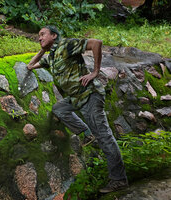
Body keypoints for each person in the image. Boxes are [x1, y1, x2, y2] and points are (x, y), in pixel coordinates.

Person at [27, 25, 128, 193]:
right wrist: (43, 50)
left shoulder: (66, 45)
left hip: (89, 95)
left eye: (43, 34)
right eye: (38, 36)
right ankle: (88, 133)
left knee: (105, 137)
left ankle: (119, 179)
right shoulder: (51, 57)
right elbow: (31, 65)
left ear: (54, 35)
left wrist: (95, 72)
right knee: (59, 108)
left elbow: (96, 43)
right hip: (75, 98)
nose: (39, 38)